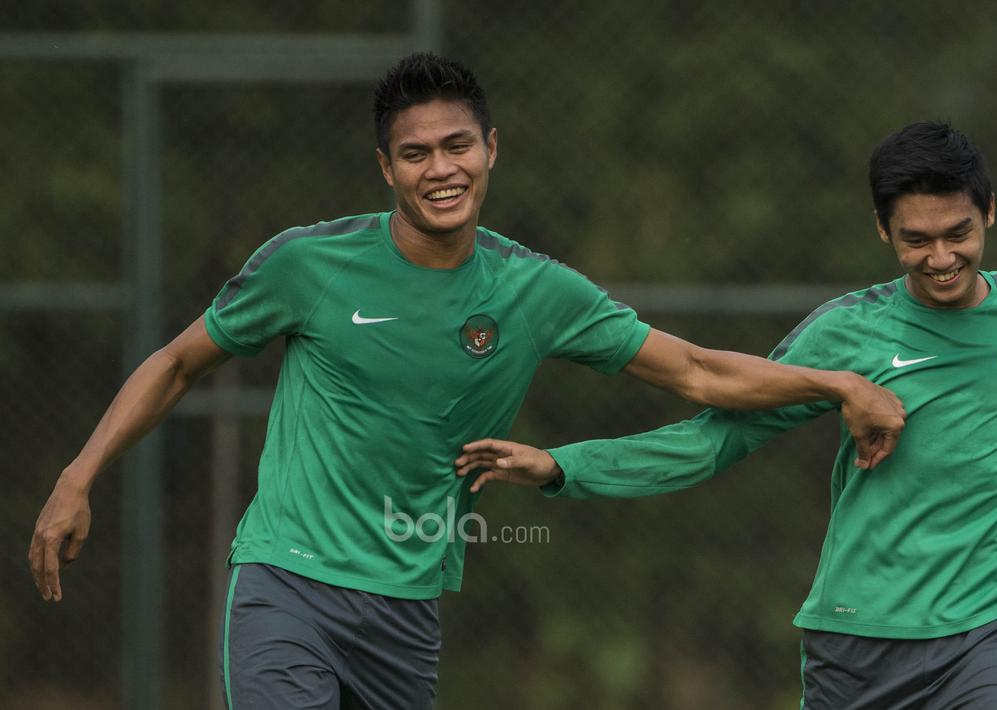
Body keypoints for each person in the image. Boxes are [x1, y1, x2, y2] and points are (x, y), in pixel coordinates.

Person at [26, 53, 905, 709]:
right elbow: (178, 362)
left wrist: (832, 384)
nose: (438, 168)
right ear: (385, 168)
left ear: (490, 149)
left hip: (408, 606)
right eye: (415, 154)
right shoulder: (306, 265)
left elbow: (698, 372)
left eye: (456, 146)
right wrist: (78, 476)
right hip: (285, 581)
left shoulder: (535, 291)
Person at [455, 121, 997, 709]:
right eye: (915, 240)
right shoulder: (844, 336)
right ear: (882, 230)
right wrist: (561, 467)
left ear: (988, 210)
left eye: (956, 233)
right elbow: (711, 443)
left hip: (990, 626)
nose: (939, 258)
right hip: (859, 641)